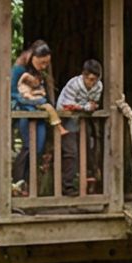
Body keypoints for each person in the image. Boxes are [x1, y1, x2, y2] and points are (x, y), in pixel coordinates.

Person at [11, 38, 56, 195]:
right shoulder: (18, 69)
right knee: (28, 146)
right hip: (25, 112)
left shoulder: (38, 73)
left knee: (39, 147)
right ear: (32, 56)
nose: (44, 66)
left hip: (39, 113)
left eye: (46, 63)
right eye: (41, 62)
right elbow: (12, 93)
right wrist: (29, 100)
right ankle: (18, 182)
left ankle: (30, 185)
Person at [57, 56, 104, 192]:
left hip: (82, 119)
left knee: (88, 149)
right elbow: (66, 106)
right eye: (90, 80)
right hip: (66, 118)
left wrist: (88, 107)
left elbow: (93, 104)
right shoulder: (74, 84)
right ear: (83, 76)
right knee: (71, 152)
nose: (92, 83)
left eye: (95, 80)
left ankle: (86, 183)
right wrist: (84, 107)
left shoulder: (98, 86)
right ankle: (68, 186)